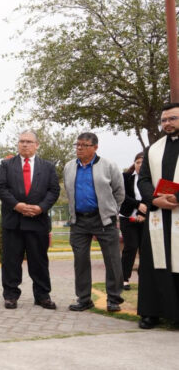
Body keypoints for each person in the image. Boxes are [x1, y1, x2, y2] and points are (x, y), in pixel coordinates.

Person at [0, 130, 60, 310]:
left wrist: (41, 207)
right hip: (13, 221)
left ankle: (42, 296)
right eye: (22, 141)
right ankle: (10, 296)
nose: (24, 144)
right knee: (11, 261)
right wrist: (17, 205)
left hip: (37, 221)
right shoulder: (6, 165)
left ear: (37, 145)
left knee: (39, 261)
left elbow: (54, 191)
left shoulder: (48, 167)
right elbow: (0, 188)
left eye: (29, 142)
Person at [63, 133, 125, 312]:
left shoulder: (108, 165)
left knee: (112, 260)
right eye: (77, 145)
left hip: (103, 219)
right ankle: (84, 299)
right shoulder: (69, 167)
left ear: (95, 147)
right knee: (80, 260)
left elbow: (119, 192)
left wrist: (110, 211)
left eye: (84, 145)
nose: (79, 148)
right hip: (79, 221)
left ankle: (113, 299)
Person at [135, 103, 179, 329]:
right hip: (158, 218)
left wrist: (176, 197)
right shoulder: (153, 149)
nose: (167, 123)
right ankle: (151, 312)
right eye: (164, 120)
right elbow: (143, 179)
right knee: (153, 265)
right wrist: (153, 200)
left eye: (172, 119)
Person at [119, 152, 146, 291]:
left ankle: (145, 279)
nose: (140, 165)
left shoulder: (151, 179)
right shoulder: (125, 177)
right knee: (130, 247)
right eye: (137, 162)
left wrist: (142, 213)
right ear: (134, 163)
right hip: (127, 218)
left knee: (145, 249)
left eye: (143, 162)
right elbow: (121, 195)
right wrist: (137, 205)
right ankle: (124, 279)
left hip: (146, 219)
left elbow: (152, 196)